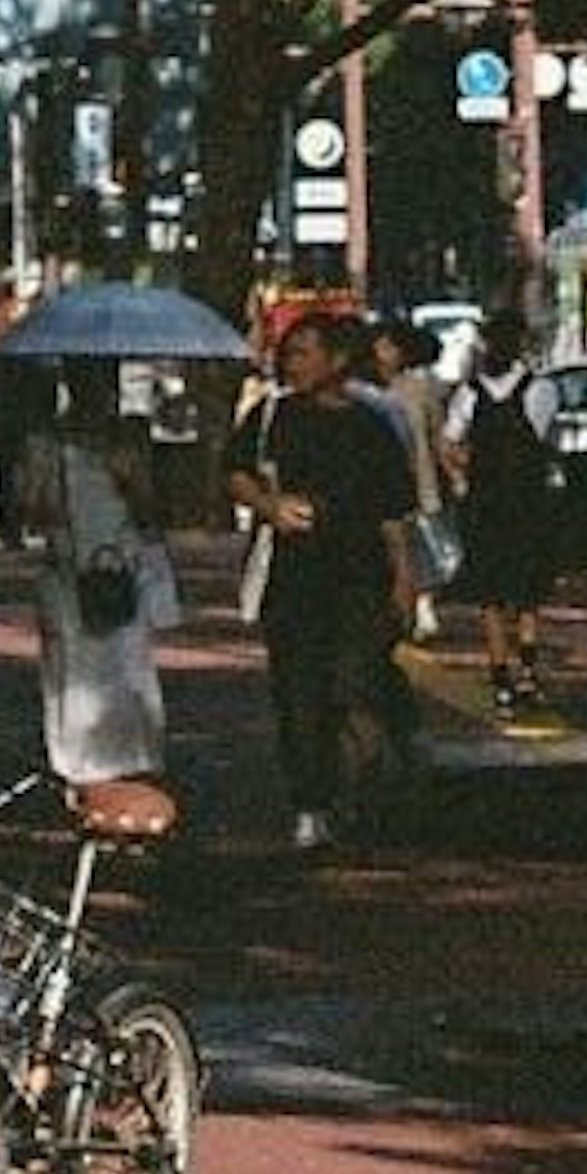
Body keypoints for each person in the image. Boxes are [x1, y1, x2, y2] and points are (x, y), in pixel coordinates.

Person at [226, 297, 419, 846]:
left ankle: (360, 789)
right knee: (297, 691)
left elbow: (393, 514)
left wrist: (405, 581)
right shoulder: (271, 416)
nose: (293, 363)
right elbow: (235, 474)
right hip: (293, 579)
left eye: (305, 353)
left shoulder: (372, 427)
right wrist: (271, 506)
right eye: (288, 354)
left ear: (337, 360)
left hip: (360, 576)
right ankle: (310, 800)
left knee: (353, 686)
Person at [7, 365, 174, 802]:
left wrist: (131, 479)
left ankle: (134, 760)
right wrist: (44, 491)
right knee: (72, 667)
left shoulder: (130, 440)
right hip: (68, 564)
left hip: (120, 565)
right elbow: (29, 508)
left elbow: (150, 509)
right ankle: (76, 764)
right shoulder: (46, 443)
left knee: (128, 664)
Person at [449, 315, 562, 721]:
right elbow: (545, 439)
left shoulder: (470, 392)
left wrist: (465, 475)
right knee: (528, 592)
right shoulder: (541, 389)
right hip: (528, 503)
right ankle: (529, 673)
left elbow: (451, 443)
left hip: (485, 503)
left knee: (490, 595)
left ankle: (500, 676)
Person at [362, 314, 465, 645]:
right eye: (379, 347)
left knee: (426, 547)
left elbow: (438, 434)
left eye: (389, 347)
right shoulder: (363, 391)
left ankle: (422, 605)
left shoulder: (420, 387)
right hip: (376, 484)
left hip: (418, 479)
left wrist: (453, 473)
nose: (383, 354)